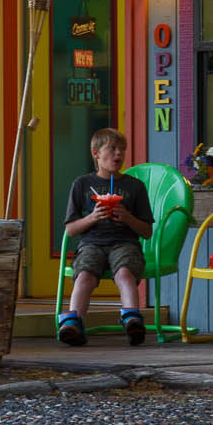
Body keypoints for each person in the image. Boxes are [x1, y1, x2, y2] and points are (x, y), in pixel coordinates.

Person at [57, 127, 154, 347]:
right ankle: (73, 322)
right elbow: (71, 229)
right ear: (96, 153)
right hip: (92, 243)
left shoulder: (134, 186)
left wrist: (128, 218)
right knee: (85, 277)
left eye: (122, 149)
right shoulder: (81, 185)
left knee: (125, 274)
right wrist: (92, 218)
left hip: (125, 243)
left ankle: (132, 319)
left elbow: (146, 231)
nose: (118, 154)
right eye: (111, 148)